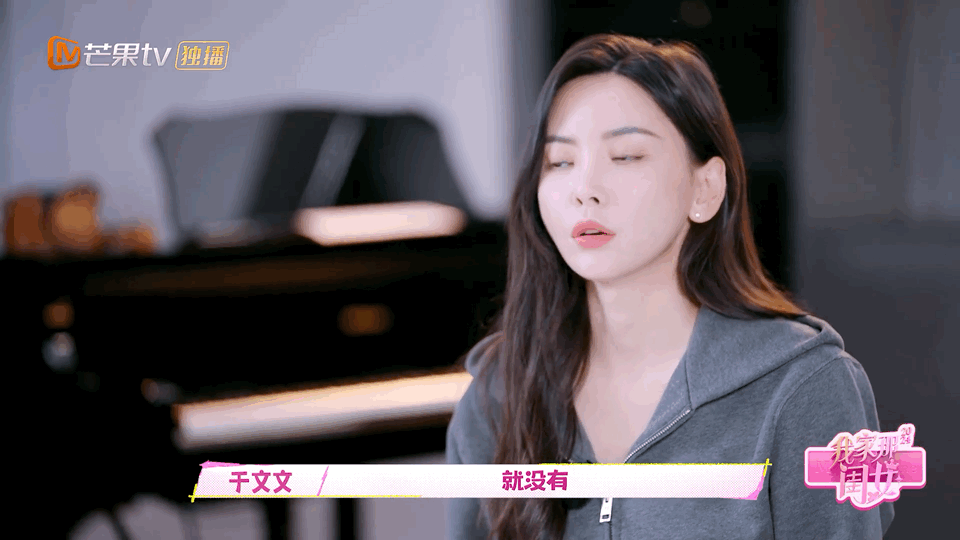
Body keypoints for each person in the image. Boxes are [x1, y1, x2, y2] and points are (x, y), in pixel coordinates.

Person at [445, 33, 894, 539]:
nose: (584, 190)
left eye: (626, 156)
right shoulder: (497, 395)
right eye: (560, 162)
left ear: (706, 189)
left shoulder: (806, 387)